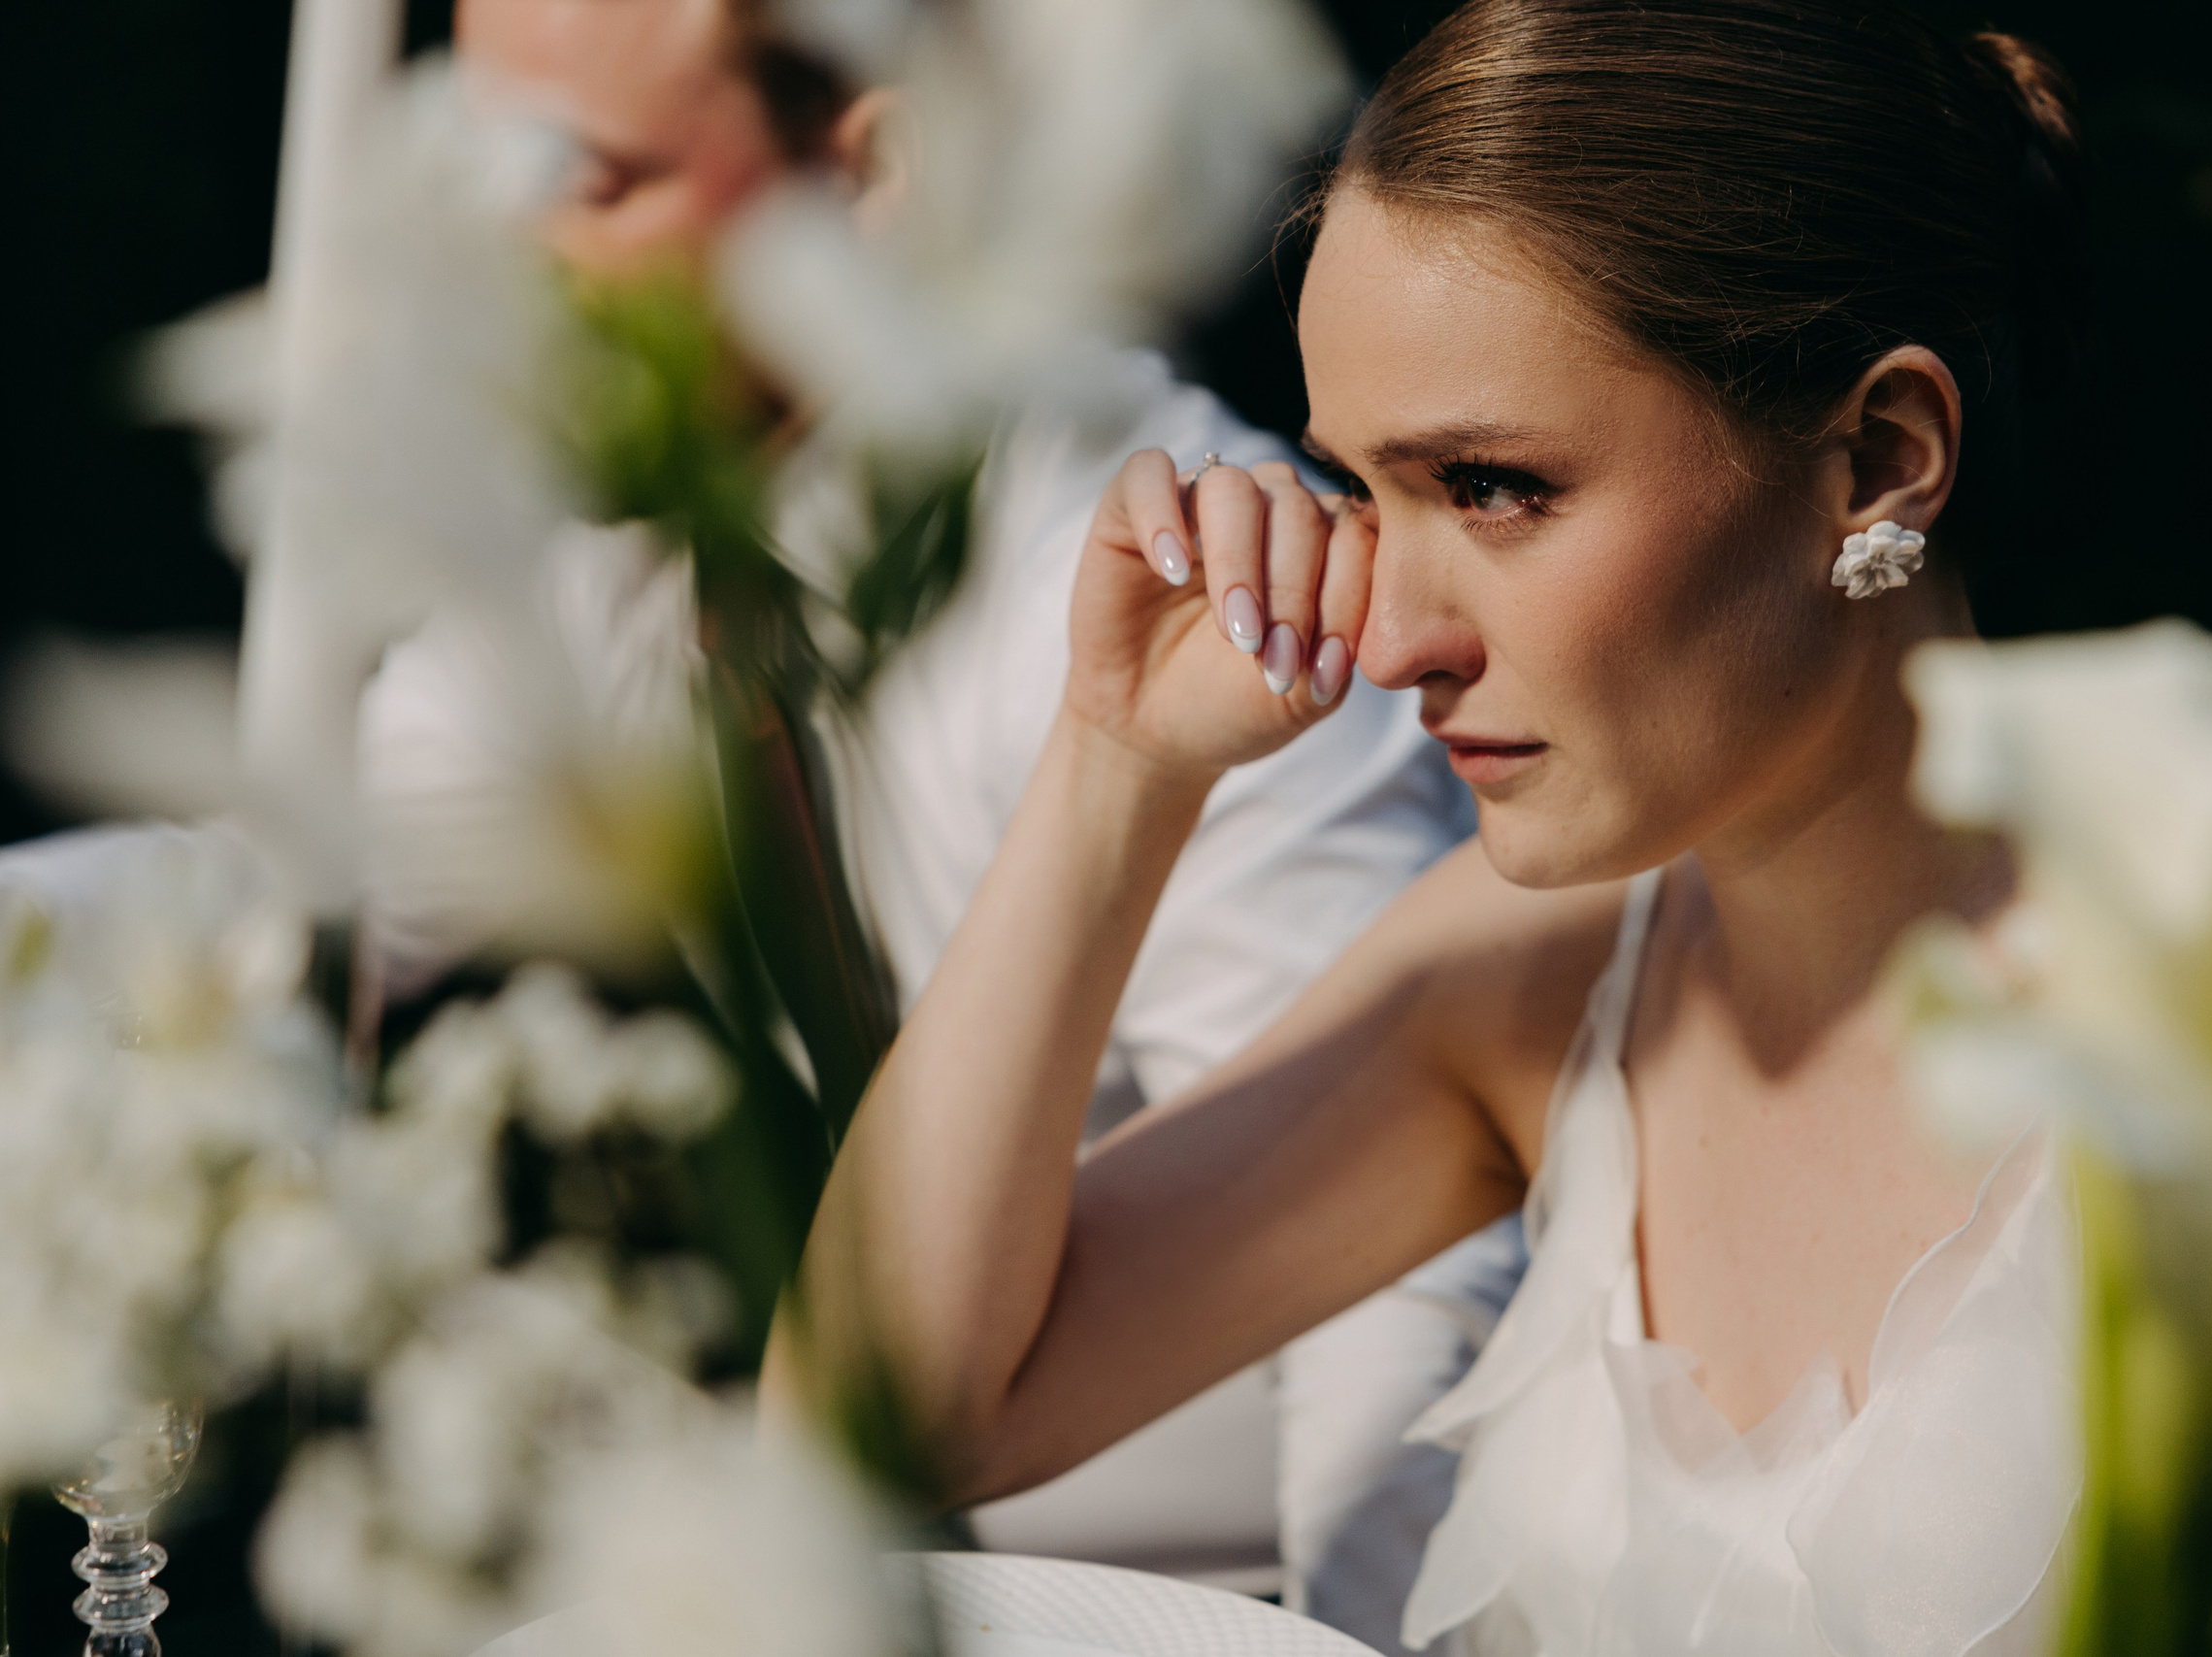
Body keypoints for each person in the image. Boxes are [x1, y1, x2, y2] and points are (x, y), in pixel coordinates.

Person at [770, 2, 2091, 1654]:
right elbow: (868, 1435)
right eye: (1363, 492)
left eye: (1490, 488)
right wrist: (1120, 763)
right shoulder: (1519, 983)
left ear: (1879, 460)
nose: (1392, 636)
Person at [445, 0, 1510, 1637]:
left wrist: (1343, 1638)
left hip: (1208, 1592)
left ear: (869, 170)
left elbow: (1396, 1310)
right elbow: (310, 895)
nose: (501, 252)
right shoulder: (614, 523)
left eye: (586, 180)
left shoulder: (1192, 578)